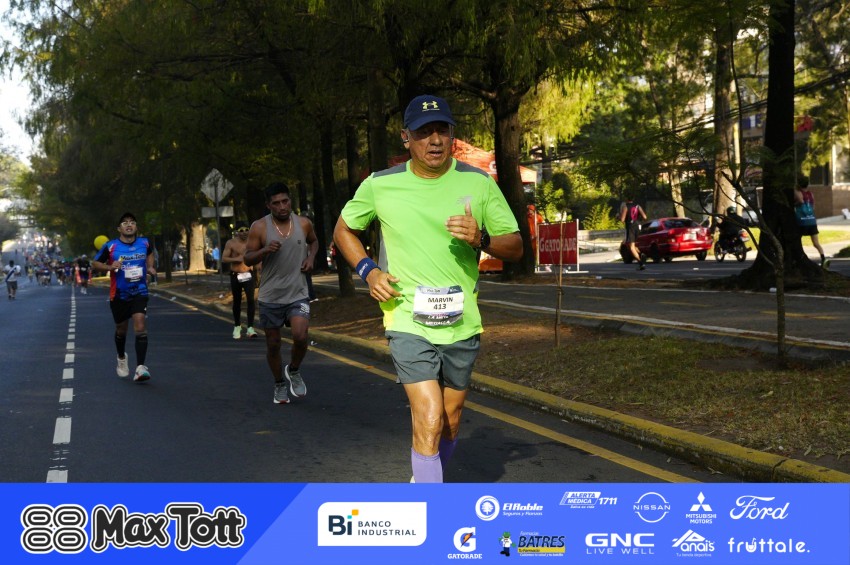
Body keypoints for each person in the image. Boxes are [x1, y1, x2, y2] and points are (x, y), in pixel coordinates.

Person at [333, 94, 523, 483]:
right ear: (406, 137)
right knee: (430, 413)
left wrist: (482, 238)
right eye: (424, 132)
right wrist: (369, 271)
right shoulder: (381, 185)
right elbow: (343, 230)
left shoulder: (478, 183)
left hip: (461, 321)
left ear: (452, 135)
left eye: (442, 130)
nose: (434, 140)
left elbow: (516, 247)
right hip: (407, 318)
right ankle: (428, 505)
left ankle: (424, 479)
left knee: (450, 419)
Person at [244, 183, 319, 404]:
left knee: (300, 336)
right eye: (276, 203)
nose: (282, 206)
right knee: (273, 344)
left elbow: (314, 241)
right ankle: (279, 384)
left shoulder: (303, 223)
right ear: (269, 206)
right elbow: (247, 258)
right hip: (270, 296)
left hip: (298, 292)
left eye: (285, 201)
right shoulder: (259, 227)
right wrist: (264, 250)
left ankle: (293, 369)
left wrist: (311, 258)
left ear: (290, 201)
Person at [91, 212, 157, 382]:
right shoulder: (111, 246)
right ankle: (121, 357)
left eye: (132, 222)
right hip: (119, 293)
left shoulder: (144, 242)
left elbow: (150, 253)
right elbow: (95, 264)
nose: (129, 225)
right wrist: (110, 267)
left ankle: (140, 367)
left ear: (136, 226)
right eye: (125, 223)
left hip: (140, 290)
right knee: (121, 329)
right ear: (119, 228)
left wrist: (150, 267)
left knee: (140, 326)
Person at [222, 221, 258, 339]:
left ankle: (250, 328)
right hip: (236, 275)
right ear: (236, 232)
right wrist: (236, 259)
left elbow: (258, 256)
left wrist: (259, 270)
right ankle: (237, 326)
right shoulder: (231, 243)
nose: (244, 232)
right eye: (241, 230)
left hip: (248, 274)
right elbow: (224, 258)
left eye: (246, 230)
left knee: (251, 300)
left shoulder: (253, 242)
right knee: (237, 301)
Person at [794, 175, 829, 268]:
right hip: (812, 221)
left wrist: (794, 205)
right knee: (816, 243)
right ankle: (823, 259)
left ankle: (798, 259)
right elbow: (813, 207)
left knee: (796, 240)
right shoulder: (811, 194)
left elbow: (801, 201)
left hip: (802, 221)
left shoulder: (797, 192)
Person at [618, 196, 647, 270]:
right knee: (634, 245)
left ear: (626, 199)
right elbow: (645, 217)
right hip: (637, 226)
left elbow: (622, 219)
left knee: (631, 247)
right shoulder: (638, 206)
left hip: (630, 227)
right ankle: (641, 254)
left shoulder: (626, 207)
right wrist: (638, 220)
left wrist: (618, 216)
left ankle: (641, 263)